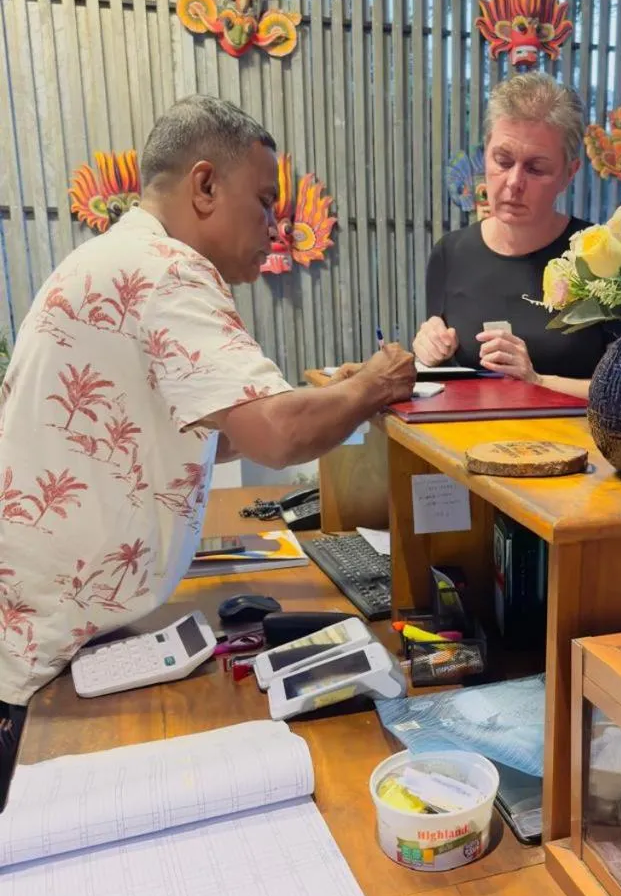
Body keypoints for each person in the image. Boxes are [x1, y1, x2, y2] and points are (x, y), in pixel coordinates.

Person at [0, 96, 414, 809]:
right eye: (264, 201)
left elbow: (198, 428)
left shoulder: (116, 254)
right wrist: (376, 385)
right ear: (203, 186)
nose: (275, 227)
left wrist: (341, 399)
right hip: (38, 654)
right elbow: (274, 435)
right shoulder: (168, 270)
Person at [412, 72, 621, 399]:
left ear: (569, 173)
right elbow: (445, 375)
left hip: (573, 443)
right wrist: (429, 351)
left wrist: (537, 380)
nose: (513, 183)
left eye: (536, 169)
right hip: (465, 443)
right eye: (502, 160)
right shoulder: (450, 253)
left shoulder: (603, 257)